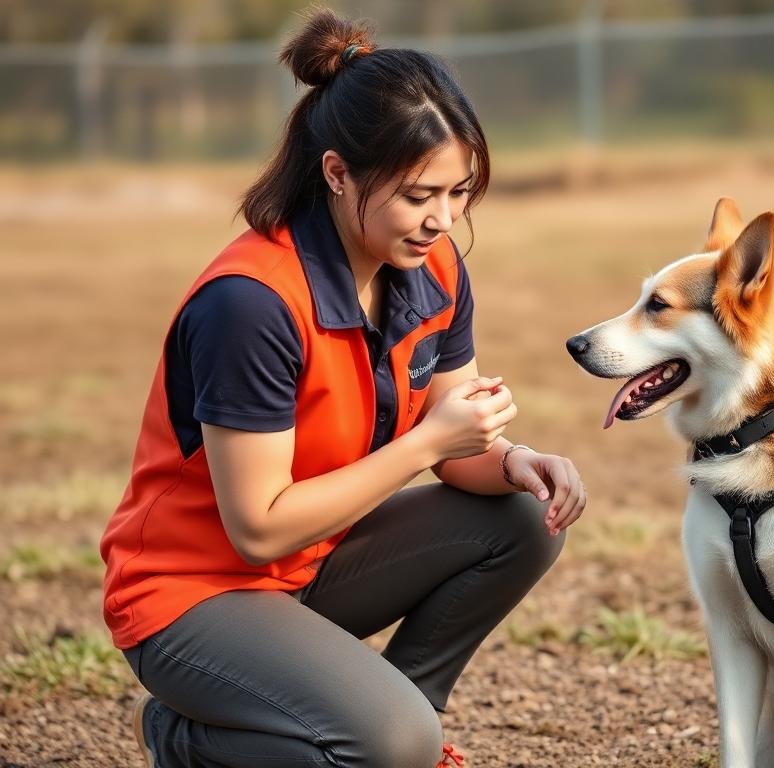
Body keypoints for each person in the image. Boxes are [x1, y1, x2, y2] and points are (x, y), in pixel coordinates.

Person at [99, 10, 586, 768]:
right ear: (336, 173)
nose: (443, 220)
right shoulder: (252, 302)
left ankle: (392, 727)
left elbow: (460, 452)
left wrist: (516, 459)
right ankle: (183, 738)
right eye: (421, 194)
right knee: (391, 743)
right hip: (192, 594)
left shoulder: (434, 269)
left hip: (310, 565)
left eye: (458, 193)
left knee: (524, 518)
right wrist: (429, 441)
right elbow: (257, 529)